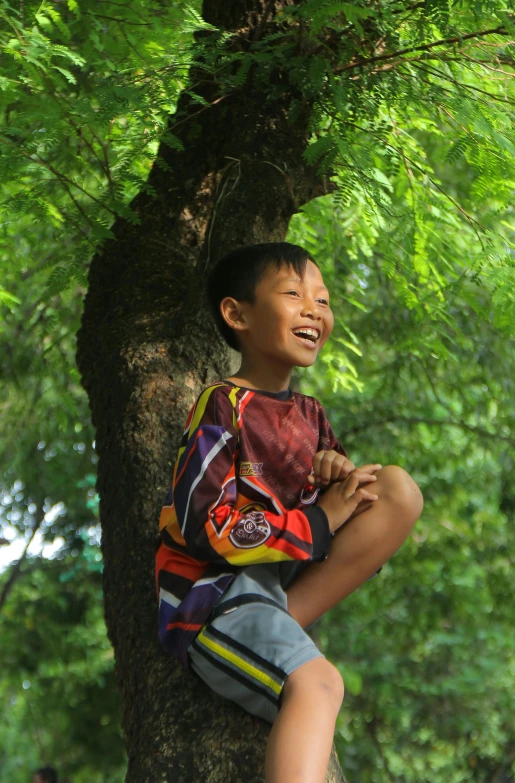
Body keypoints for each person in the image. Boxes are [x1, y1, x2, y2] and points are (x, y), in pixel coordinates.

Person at [156, 242, 423, 783]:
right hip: (216, 601)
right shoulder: (221, 405)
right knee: (320, 685)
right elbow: (201, 523)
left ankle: (287, 617)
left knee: (395, 488)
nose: (314, 310)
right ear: (237, 315)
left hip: (279, 590)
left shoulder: (310, 414)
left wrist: (335, 474)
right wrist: (318, 518)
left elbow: (342, 509)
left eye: (322, 300)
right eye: (294, 294)